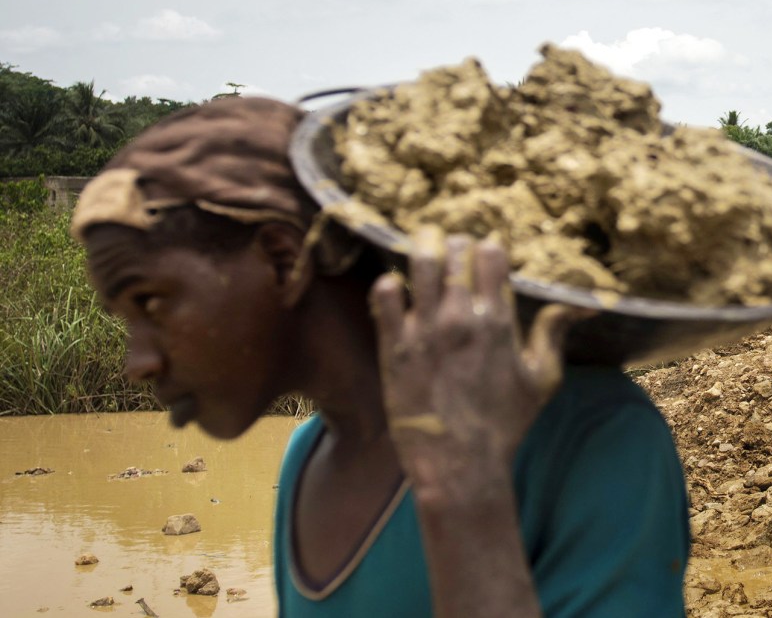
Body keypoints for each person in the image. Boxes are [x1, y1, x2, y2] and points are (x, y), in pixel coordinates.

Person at [71, 96, 690, 616]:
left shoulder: (592, 431)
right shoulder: (308, 454)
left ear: (284, 260)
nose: (138, 362)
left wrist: (463, 489)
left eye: (150, 304)